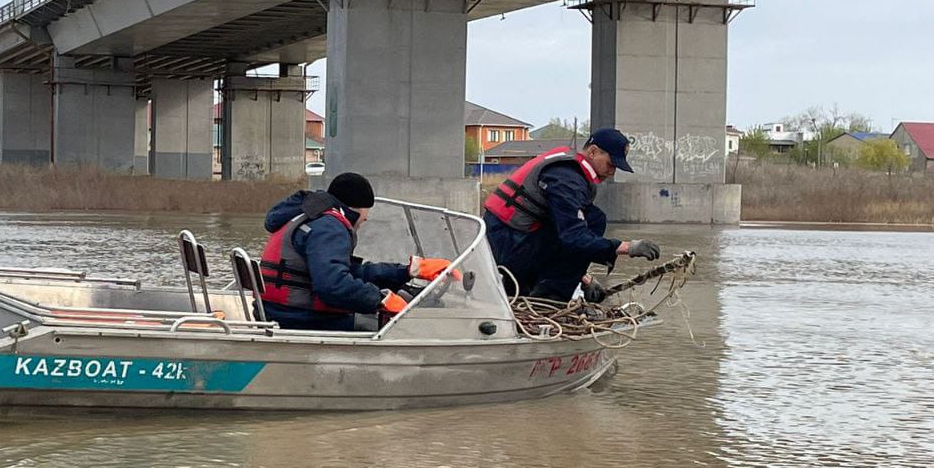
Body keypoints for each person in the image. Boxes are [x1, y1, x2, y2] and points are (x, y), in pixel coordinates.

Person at [483, 127, 662, 303]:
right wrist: (628, 247)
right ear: (592, 152)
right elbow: (573, 236)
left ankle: (540, 294)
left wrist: (584, 279)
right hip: (507, 247)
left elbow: (561, 233)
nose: (612, 172)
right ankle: (548, 302)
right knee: (593, 222)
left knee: (593, 217)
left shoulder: (569, 170)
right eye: (610, 164)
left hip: (514, 242)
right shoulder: (567, 179)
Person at [259, 172, 455, 331]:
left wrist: (405, 272)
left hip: (280, 311)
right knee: (399, 329)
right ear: (357, 208)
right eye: (367, 211)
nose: (366, 219)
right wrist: (380, 299)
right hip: (302, 318)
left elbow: (346, 272)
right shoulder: (330, 227)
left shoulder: (309, 217)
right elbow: (333, 287)